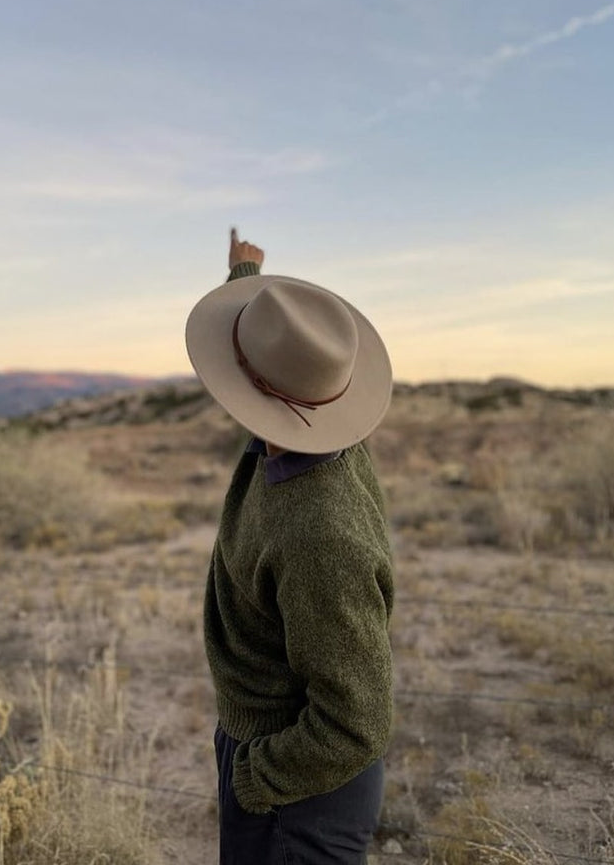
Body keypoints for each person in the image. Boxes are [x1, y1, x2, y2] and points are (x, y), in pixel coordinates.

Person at [184, 228, 395, 865]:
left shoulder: (320, 534)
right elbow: (275, 368)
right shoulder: (306, 437)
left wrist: (255, 779)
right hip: (278, 762)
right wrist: (243, 277)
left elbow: (354, 723)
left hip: (298, 789)